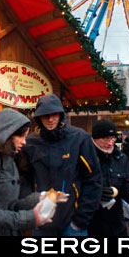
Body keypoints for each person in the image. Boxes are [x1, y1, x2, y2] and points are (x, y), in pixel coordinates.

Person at [0, 108, 63, 236]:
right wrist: (29, 218)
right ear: (7, 133)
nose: (24, 141)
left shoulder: (9, 159)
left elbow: (11, 205)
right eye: (20, 136)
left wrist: (41, 197)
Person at [17, 94, 102, 236]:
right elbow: (23, 180)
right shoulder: (30, 143)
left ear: (60, 114)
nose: (50, 119)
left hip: (73, 223)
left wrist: (81, 219)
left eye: (54, 114)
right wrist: (32, 212)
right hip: (41, 221)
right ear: (38, 117)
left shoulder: (79, 138)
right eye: (45, 115)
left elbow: (93, 179)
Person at [88, 120, 129, 237]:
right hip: (91, 221)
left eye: (113, 139)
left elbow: (128, 183)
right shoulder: (86, 157)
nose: (110, 143)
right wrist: (98, 193)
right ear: (94, 139)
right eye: (105, 139)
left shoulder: (121, 158)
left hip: (116, 221)